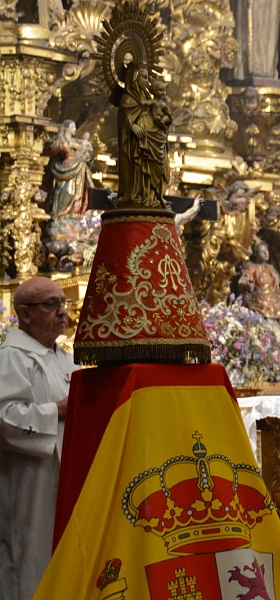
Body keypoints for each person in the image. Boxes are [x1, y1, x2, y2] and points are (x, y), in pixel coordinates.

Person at [0, 277, 78, 600]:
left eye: (63, 303)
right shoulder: (12, 357)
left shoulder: (63, 358)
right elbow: (5, 418)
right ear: (25, 314)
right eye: (51, 304)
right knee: (30, 562)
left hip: (67, 476)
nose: (62, 311)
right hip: (31, 483)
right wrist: (57, 411)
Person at [115, 63, 169, 209]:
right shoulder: (127, 98)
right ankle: (137, 195)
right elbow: (123, 119)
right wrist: (132, 125)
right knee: (139, 169)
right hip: (136, 145)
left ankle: (152, 196)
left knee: (158, 168)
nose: (147, 81)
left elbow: (160, 114)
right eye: (144, 77)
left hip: (153, 140)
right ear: (134, 78)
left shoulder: (146, 96)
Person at [238, 240, 280, 344]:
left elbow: (278, 286)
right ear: (256, 254)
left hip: (275, 307)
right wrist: (248, 284)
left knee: (277, 336)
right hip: (258, 307)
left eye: (267, 251)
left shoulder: (271, 268)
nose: (266, 253)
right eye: (262, 251)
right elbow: (243, 281)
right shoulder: (251, 267)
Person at [48, 120, 94, 220]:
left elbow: (87, 153)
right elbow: (52, 151)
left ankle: (75, 212)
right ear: (66, 128)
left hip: (79, 168)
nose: (75, 129)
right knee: (67, 191)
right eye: (72, 127)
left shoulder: (77, 141)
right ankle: (62, 214)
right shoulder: (61, 140)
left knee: (78, 191)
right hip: (65, 168)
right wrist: (62, 147)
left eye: (75, 127)